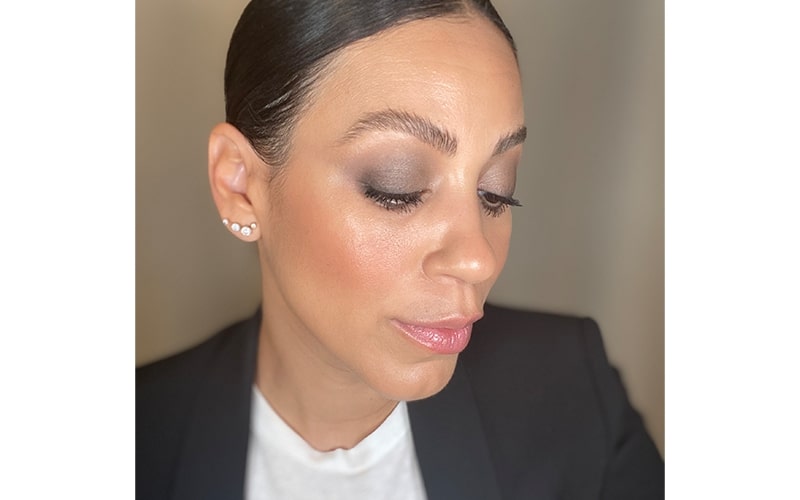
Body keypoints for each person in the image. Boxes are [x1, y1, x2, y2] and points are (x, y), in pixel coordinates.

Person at [136, 0, 665, 498]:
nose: (477, 259)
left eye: (496, 190)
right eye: (397, 187)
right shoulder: (141, 437)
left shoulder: (572, 393)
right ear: (240, 186)